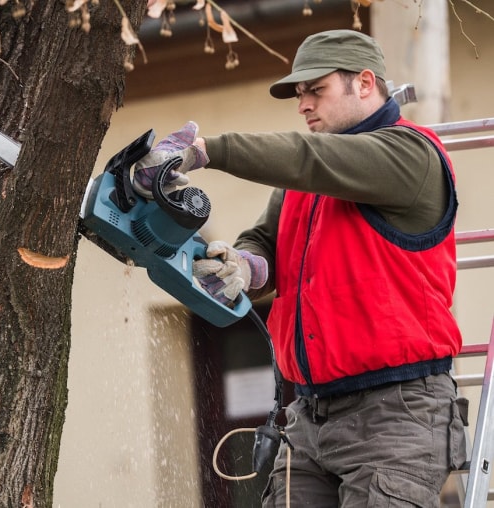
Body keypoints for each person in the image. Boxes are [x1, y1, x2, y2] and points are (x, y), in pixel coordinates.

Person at [133, 30, 468, 507]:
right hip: (309, 417)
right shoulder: (306, 181)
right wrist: (248, 265)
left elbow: (308, 159)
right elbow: (267, 238)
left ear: (365, 83)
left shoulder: (410, 155)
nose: (303, 104)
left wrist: (207, 151)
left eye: (317, 90)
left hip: (398, 415)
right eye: (299, 94)